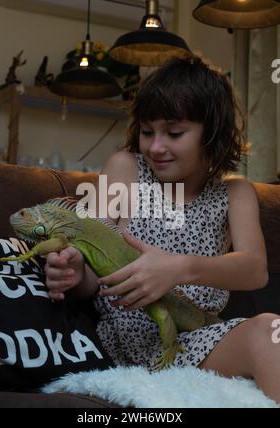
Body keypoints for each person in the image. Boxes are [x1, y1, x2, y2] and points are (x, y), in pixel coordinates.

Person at [44, 55, 280, 403]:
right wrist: (74, 269)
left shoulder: (235, 192)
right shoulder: (127, 169)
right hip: (128, 342)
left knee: (271, 332)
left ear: (212, 133)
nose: (156, 146)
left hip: (200, 340)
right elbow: (90, 266)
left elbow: (255, 269)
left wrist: (177, 268)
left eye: (174, 132)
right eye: (147, 131)